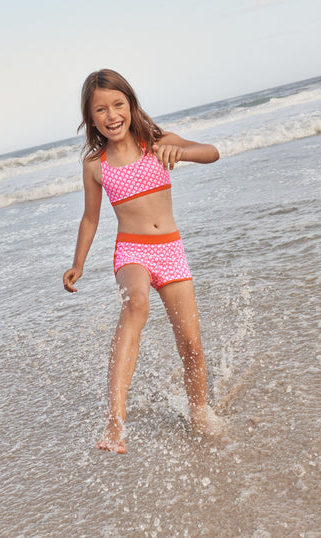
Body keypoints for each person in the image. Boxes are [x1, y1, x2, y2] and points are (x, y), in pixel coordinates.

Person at [63, 69, 220, 453]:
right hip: (131, 251)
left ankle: (198, 412)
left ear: (131, 106)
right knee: (136, 303)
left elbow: (212, 153)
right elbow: (90, 218)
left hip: (171, 250)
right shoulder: (95, 166)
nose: (111, 114)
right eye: (101, 109)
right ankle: (115, 424)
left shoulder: (157, 142)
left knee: (192, 346)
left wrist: (180, 151)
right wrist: (78, 263)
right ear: (91, 117)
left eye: (118, 104)